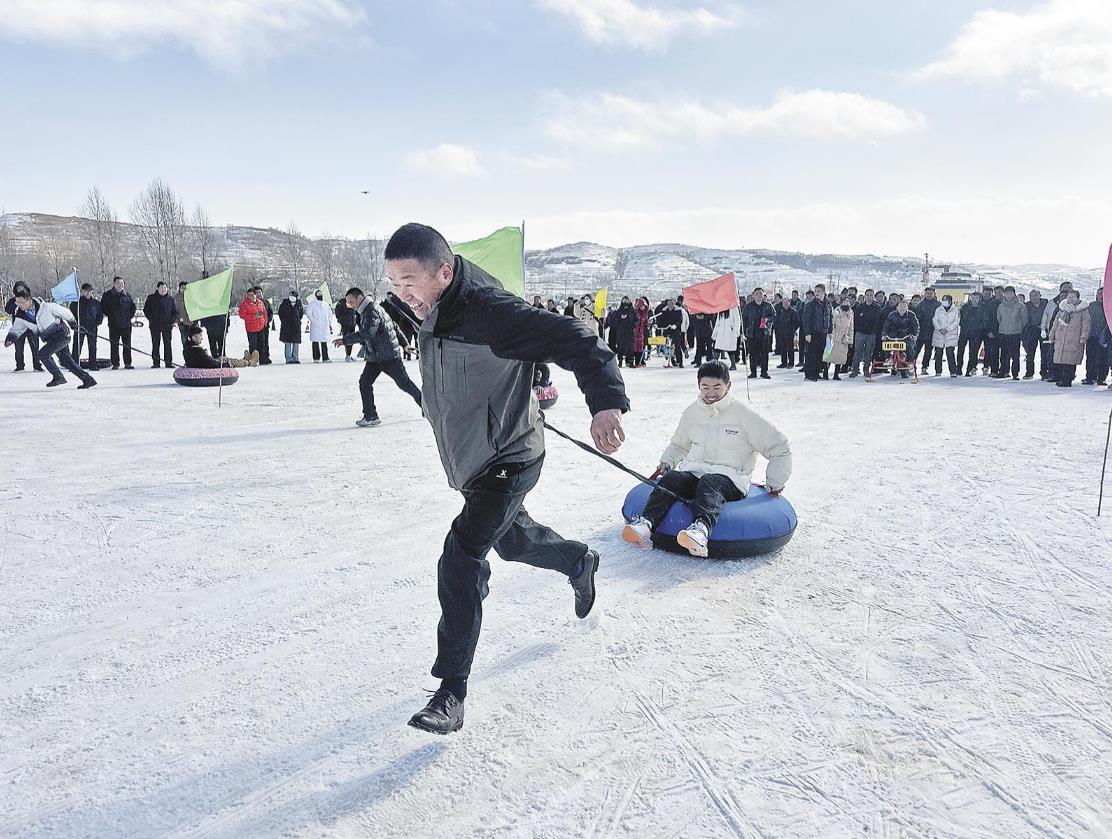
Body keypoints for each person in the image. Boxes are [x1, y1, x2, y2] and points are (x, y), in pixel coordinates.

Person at [383, 223, 627, 735]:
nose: (402, 294)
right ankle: (578, 560)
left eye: (409, 281)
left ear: (444, 273)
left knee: (462, 554)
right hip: (474, 456)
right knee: (513, 542)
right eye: (393, 283)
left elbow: (576, 338)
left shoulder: (490, 312)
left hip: (510, 456)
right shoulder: (433, 305)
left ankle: (451, 691)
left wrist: (604, 405)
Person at [623, 360, 790, 557]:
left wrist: (775, 483)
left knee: (710, 482)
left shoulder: (744, 415)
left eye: (717, 387)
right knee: (673, 479)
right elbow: (679, 444)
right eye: (705, 387)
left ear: (728, 386)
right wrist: (667, 463)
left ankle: (700, 530)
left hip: (730, 479)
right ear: (699, 386)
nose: (710, 392)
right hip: (695, 472)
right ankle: (646, 524)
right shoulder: (693, 412)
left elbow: (779, 446)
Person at [334, 286, 423, 427]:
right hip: (375, 356)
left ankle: (427, 407)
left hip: (388, 356)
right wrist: (405, 344)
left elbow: (368, 333)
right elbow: (392, 325)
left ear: (359, 297)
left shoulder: (371, 310)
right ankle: (370, 416)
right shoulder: (368, 309)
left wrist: (345, 340)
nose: (349, 305)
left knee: (404, 384)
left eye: (351, 301)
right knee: (365, 382)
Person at [4, 290, 97, 388]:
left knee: (43, 354)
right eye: (17, 303)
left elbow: (65, 312)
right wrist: (10, 337)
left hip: (62, 335)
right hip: (50, 339)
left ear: (29, 300)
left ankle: (58, 376)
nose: (19, 305)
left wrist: (73, 323)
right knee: (66, 361)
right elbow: (17, 328)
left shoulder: (47, 307)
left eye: (21, 302)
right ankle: (88, 380)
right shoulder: (21, 316)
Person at [1048, 290, 1090, 387]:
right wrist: (1052, 334)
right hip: (1061, 338)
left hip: (1074, 339)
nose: (1071, 299)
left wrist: (1083, 337)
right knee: (1061, 360)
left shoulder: (1083, 311)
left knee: (1070, 361)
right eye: (1069, 297)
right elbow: (1055, 323)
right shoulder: (1062, 310)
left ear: (1078, 298)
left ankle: (1067, 380)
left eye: (1073, 297)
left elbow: (1086, 325)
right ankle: (1061, 378)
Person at [5, 281, 44, 372]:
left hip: (31, 327)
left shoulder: (31, 300)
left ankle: (37, 365)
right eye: (18, 288)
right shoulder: (13, 300)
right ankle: (20, 366)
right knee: (18, 348)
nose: (20, 290)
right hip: (19, 328)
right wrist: (16, 302)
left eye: (22, 288)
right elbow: (8, 310)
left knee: (35, 347)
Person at [1040, 282, 1074, 382]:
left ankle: (1067, 376)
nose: (1066, 291)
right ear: (1060, 291)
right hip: (1053, 333)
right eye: (1064, 289)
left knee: (1068, 356)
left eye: (1069, 289)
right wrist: (1043, 329)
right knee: (1053, 355)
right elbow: (1046, 317)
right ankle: (1055, 374)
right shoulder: (1052, 303)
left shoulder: (1074, 304)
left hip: (1068, 334)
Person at [101, 275, 136, 370]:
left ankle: (128, 363)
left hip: (126, 324)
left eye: (122, 283)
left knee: (127, 344)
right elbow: (103, 308)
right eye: (118, 283)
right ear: (114, 284)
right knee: (114, 344)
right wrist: (111, 315)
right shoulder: (107, 295)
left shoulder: (127, 295)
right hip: (113, 324)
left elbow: (133, 307)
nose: (120, 285)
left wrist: (130, 316)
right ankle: (115, 363)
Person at [183, 325, 259, 368]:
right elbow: (209, 363)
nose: (202, 338)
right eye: (200, 336)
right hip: (210, 366)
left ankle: (244, 360)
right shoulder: (197, 351)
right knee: (228, 361)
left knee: (222, 358)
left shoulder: (187, 348)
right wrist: (224, 365)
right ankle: (249, 362)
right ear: (193, 338)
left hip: (207, 364)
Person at [143, 281, 179, 368]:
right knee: (155, 344)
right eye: (162, 288)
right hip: (155, 325)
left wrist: (171, 321)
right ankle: (156, 363)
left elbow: (175, 312)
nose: (163, 290)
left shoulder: (170, 299)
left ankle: (168, 363)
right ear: (157, 288)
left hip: (167, 326)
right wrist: (152, 319)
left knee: (167, 344)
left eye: (165, 288)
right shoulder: (151, 298)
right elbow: (146, 310)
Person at [994, 286, 1028, 380]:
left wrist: (1019, 327)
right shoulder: (1001, 305)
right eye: (1006, 293)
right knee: (1004, 354)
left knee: (1015, 355)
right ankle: (1003, 371)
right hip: (1003, 332)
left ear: (1014, 294)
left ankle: (1015, 373)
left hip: (1016, 333)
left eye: (1010, 293)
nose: (1008, 295)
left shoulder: (1020, 306)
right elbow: (999, 318)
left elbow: (1024, 319)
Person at [742, 288, 775, 379]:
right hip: (752, 333)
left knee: (765, 353)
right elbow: (743, 320)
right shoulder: (748, 307)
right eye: (756, 294)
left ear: (763, 295)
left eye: (760, 294)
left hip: (764, 333)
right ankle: (753, 372)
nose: (758, 296)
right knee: (752, 354)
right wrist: (743, 332)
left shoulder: (768, 305)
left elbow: (774, 316)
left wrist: (768, 320)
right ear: (753, 295)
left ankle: (764, 372)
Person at [882, 298, 920, 379]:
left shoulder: (911, 315)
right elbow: (886, 326)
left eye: (904, 307)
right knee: (886, 344)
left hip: (906, 335)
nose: (902, 309)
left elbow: (915, 326)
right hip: (894, 336)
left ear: (907, 308)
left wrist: (914, 335)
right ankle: (888, 358)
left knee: (909, 346)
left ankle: (910, 362)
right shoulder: (892, 315)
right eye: (900, 307)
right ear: (897, 308)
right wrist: (884, 334)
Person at [801, 284, 832, 381]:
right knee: (811, 354)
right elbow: (806, 320)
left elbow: (830, 318)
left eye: (819, 291)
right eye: (816, 291)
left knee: (820, 354)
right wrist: (807, 333)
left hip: (823, 332)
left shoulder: (828, 304)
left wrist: (830, 331)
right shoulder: (810, 304)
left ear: (824, 292)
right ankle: (809, 375)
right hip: (813, 332)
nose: (817, 293)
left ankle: (816, 372)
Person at [69, 283, 103, 367]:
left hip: (92, 328)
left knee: (92, 346)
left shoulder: (96, 303)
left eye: (89, 291)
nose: (87, 293)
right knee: (77, 346)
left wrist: (97, 323)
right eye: (85, 291)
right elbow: (70, 315)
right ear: (82, 292)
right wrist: (73, 325)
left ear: (92, 292)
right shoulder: (76, 303)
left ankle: (93, 364)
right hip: (80, 327)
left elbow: (100, 315)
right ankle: (74, 364)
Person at [849, 291, 880, 379]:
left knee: (868, 352)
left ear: (873, 297)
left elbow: (878, 321)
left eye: (871, 295)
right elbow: (856, 320)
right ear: (864, 296)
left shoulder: (877, 307)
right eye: (867, 295)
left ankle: (866, 369)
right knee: (857, 351)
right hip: (860, 333)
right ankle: (854, 369)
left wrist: (874, 330)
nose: (869, 297)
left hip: (871, 334)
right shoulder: (860, 307)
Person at [1082, 288, 1108, 386]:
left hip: (1104, 337)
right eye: (1099, 294)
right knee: (1090, 357)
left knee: (1103, 358)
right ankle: (1090, 377)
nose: (1100, 296)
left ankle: (1101, 378)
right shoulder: (1091, 306)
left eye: (1102, 294)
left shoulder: (1109, 305)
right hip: (1092, 335)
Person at [931, 295, 961, 377]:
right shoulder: (938, 310)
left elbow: (956, 322)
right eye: (943, 300)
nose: (944, 301)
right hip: (939, 334)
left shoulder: (955, 310)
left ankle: (953, 371)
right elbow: (935, 320)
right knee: (938, 354)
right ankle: (938, 371)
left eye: (946, 300)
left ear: (950, 301)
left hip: (950, 335)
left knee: (950, 353)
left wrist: (948, 329)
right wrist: (940, 329)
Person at [958, 292, 986, 376]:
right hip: (964, 331)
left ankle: (969, 369)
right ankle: (958, 368)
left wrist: (976, 327)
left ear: (979, 299)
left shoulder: (983, 308)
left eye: (976, 298)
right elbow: (960, 318)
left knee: (973, 352)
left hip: (976, 333)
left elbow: (985, 320)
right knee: (960, 351)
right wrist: (964, 326)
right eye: (973, 298)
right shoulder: (966, 307)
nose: (974, 300)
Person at [914, 288, 941, 374]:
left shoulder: (938, 305)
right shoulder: (921, 305)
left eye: (931, 293)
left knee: (928, 352)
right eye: (927, 293)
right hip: (920, 332)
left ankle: (924, 367)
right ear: (925, 294)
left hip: (932, 333)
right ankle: (910, 365)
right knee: (915, 351)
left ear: (934, 294)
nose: (929, 295)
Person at [238, 288, 269, 361]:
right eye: (248, 295)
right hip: (251, 327)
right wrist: (253, 317)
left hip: (261, 327)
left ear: (255, 295)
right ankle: (253, 359)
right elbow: (242, 315)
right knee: (253, 345)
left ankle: (262, 358)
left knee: (262, 344)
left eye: (252, 295)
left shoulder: (260, 303)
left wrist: (265, 322)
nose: (250, 297)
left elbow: (264, 313)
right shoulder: (245, 304)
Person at [828, 296, 854, 380]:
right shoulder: (836, 311)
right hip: (833, 335)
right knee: (828, 355)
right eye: (844, 301)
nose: (846, 303)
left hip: (844, 338)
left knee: (840, 357)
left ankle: (836, 374)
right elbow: (831, 323)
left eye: (848, 301)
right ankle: (825, 372)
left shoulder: (851, 313)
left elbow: (851, 328)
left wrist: (850, 340)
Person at [1023, 289, 1047, 379]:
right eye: (1032, 296)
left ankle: (1044, 373)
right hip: (1031, 330)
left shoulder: (1045, 303)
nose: (1034, 297)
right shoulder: (1026, 305)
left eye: (1036, 295)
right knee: (1030, 353)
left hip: (1043, 329)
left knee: (1044, 353)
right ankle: (1029, 372)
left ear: (1040, 295)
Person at [607, 297, 637, 367]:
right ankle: (620, 361)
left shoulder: (632, 311)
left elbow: (636, 320)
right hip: (621, 332)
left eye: (626, 300)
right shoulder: (619, 311)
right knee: (620, 346)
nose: (625, 302)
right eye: (624, 300)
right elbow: (614, 320)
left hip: (629, 331)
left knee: (630, 347)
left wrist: (631, 323)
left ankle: (631, 362)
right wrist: (621, 318)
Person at [277, 289, 304, 364]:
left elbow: (301, 314)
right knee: (287, 343)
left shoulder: (298, 304)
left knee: (296, 343)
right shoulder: (284, 303)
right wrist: (284, 321)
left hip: (296, 326)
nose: (292, 297)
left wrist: (297, 320)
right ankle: (288, 358)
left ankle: (296, 357)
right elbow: (280, 313)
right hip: (286, 326)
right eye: (291, 296)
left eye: (293, 296)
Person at [657, 298, 685, 368]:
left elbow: (680, 320)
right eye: (669, 304)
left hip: (675, 330)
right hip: (667, 329)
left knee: (677, 346)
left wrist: (676, 325)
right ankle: (671, 360)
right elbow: (661, 320)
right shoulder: (664, 310)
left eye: (671, 304)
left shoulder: (678, 310)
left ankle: (680, 362)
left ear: (674, 304)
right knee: (666, 346)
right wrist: (658, 325)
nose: (670, 305)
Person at [712, 304, 742, 370]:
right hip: (721, 332)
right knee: (717, 349)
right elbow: (718, 321)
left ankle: (733, 365)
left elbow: (737, 320)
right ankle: (714, 365)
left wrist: (737, 331)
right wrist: (715, 332)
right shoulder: (721, 308)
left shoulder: (734, 308)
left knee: (730, 350)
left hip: (730, 332)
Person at [306, 291, 333, 362]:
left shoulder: (326, 304)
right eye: (318, 295)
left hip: (324, 326)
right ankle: (316, 358)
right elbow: (308, 313)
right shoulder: (311, 305)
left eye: (320, 294)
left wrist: (329, 322)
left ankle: (325, 357)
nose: (319, 296)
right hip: (316, 326)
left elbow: (330, 313)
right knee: (315, 342)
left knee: (324, 342)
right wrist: (314, 321)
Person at [772, 298, 798, 369]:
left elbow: (796, 322)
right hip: (781, 332)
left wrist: (793, 330)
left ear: (789, 302)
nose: (785, 304)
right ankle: (784, 362)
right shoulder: (781, 311)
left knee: (790, 348)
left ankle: (791, 363)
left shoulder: (793, 311)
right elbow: (777, 320)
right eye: (784, 303)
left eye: (786, 302)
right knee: (783, 348)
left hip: (789, 333)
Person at [334, 294, 358, 362]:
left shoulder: (353, 302)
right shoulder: (341, 302)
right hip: (345, 324)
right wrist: (341, 319)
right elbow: (337, 312)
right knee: (346, 338)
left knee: (351, 339)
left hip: (352, 324)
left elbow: (356, 311)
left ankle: (349, 355)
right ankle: (347, 355)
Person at [632, 297, 651, 367]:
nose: (643, 307)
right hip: (635, 332)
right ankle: (636, 362)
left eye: (644, 306)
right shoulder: (635, 313)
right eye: (642, 306)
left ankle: (639, 361)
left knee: (641, 347)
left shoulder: (645, 313)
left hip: (641, 332)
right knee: (635, 347)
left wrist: (648, 322)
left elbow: (645, 322)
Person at [174, 281, 193, 348]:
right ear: (179, 288)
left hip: (191, 322)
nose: (184, 289)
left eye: (185, 288)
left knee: (193, 339)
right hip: (181, 322)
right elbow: (174, 311)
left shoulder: (191, 296)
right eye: (182, 288)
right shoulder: (176, 298)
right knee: (184, 338)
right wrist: (178, 320)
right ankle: (186, 351)